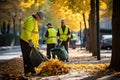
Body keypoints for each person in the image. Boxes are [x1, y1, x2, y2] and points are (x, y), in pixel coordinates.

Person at [20, 10, 45, 77]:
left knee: (28, 57)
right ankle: (32, 72)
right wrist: (30, 40)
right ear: (37, 15)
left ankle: (27, 72)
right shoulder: (31, 21)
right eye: (40, 18)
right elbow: (27, 32)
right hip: (26, 42)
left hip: (29, 42)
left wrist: (36, 45)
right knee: (28, 57)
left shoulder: (34, 20)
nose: (40, 19)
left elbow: (34, 34)